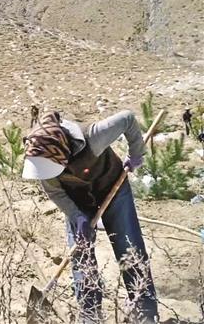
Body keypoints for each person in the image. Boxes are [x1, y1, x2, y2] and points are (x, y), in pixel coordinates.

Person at [22, 110, 157, 323]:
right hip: (77, 200)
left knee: (129, 247)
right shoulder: (42, 155)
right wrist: (76, 216)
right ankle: (90, 314)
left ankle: (145, 311)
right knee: (81, 254)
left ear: (63, 153)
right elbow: (55, 192)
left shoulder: (93, 137)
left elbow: (127, 118)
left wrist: (136, 153)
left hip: (113, 186)